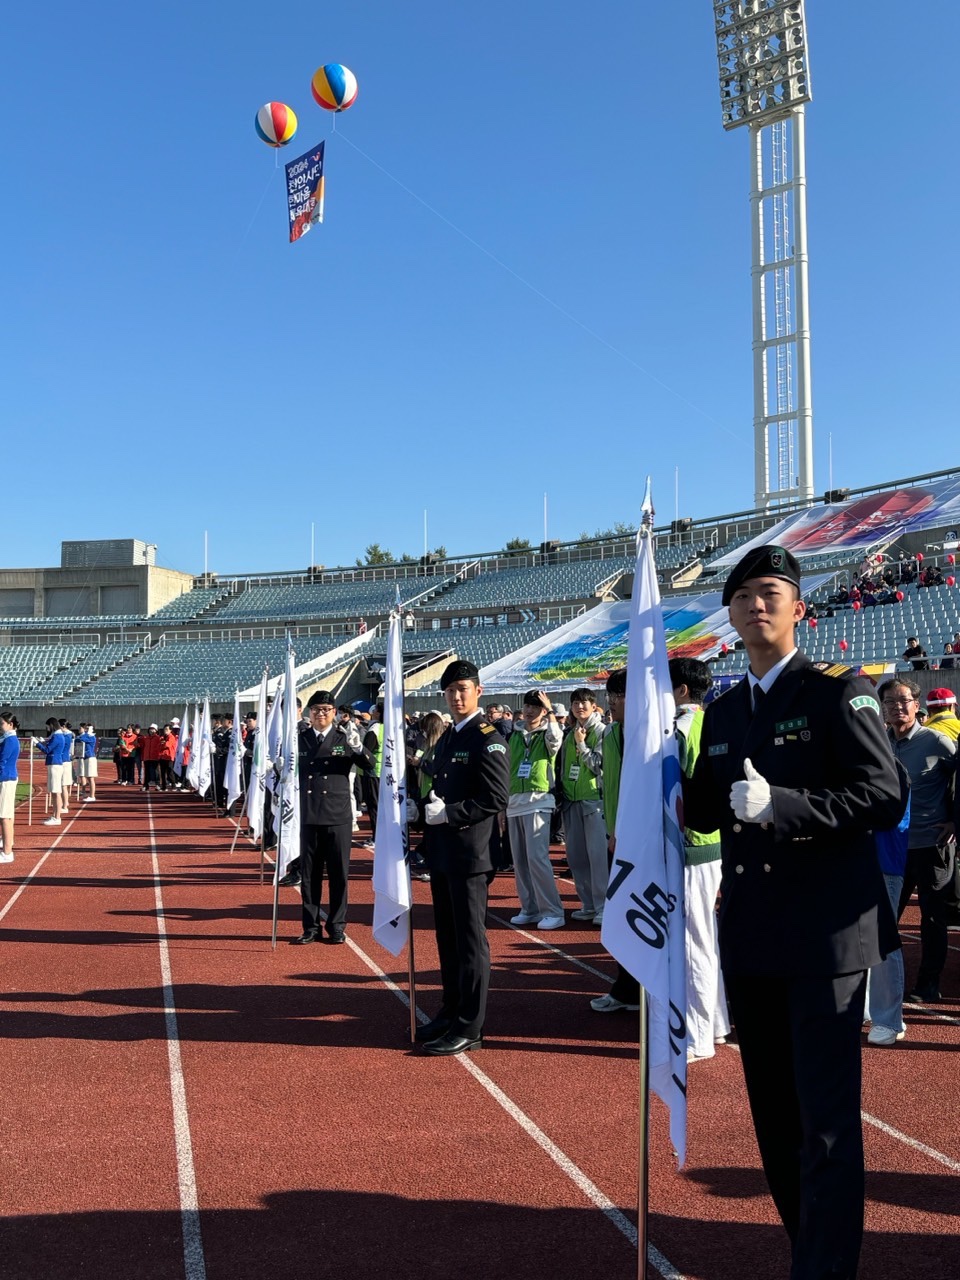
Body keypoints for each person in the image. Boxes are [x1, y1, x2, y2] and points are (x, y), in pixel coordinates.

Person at [683, 544, 904, 1280]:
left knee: (828, 1124)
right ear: (730, 614)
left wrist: (785, 807)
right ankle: (805, 1249)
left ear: (799, 606)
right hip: (755, 935)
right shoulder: (720, 712)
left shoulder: (839, 690)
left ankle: (825, 1269)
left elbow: (884, 795)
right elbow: (705, 807)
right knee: (775, 1120)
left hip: (826, 937)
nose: (755, 604)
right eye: (742, 595)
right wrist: (665, 784)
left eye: (770, 591)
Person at [417, 659, 509, 1056]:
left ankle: (470, 1025)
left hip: (471, 854)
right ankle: (451, 1009)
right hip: (443, 851)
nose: (457, 696)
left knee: (471, 943)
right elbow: (440, 787)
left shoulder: (486, 737)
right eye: (451, 690)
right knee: (447, 938)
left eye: (464, 689)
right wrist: (421, 810)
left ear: (478, 691)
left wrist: (449, 815)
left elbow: (495, 798)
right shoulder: (451, 736)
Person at [881, 676, 956, 1003]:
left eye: (903, 701)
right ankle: (884, 988)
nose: (897, 707)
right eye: (890, 702)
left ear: (917, 705)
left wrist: (955, 820)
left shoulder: (938, 742)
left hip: (931, 845)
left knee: (933, 918)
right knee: (884, 917)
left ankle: (928, 984)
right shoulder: (881, 742)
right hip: (893, 846)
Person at [670, 656, 730, 1062]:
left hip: (693, 844)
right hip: (711, 843)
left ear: (681, 690)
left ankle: (698, 1036)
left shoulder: (683, 727)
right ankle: (718, 1024)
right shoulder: (710, 720)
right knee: (704, 937)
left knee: (694, 943)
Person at [292, 690, 374, 946]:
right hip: (309, 814)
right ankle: (311, 926)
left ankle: (337, 926)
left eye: (326, 709)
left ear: (334, 712)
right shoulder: (300, 739)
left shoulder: (344, 737)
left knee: (339, 874)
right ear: (309, 713)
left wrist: (358, 747)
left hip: (337, 814)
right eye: (316, 709)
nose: (321, 714)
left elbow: (369, 765)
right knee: (309, 875)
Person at [589, 668, 641, 1015]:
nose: (612, 704)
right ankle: (626, 987)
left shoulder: (650, 733)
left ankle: (640, 989)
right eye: (610, 697)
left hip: (641, 840)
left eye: (618, 697)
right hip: (616, 836)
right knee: (621, 916)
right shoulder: (611, 734)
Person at [506, 689, 566, 930]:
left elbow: (555, 741)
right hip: (514, 802)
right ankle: (529, 908)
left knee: (537, 858)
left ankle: (553, 911)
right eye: (528, 706)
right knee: (520, 861)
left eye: (536, 706)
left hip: (539, 799)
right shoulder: (514, 735)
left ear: (543, 711)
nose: (530, 710)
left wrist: (550, 710)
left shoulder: (549, 733)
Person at [557, 688, 607, 924]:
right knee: (576, 857)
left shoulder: (601, 731)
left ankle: (603, 906)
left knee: (597, 857)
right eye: (576, 703)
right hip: (571, 800)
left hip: (593, 800)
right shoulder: (570, 734)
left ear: (593, 705)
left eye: (584, 702)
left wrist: (582, 745)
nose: (579, 707)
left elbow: (598, 765)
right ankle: (587, 904)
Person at [34, 717, 71, 826]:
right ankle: (55, 815)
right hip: (54, 763)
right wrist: (42, 741)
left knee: (56, 792)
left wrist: (37, 743)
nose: (47, 729)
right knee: (54, 792)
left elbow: (47, 750)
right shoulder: (57, 735)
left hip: (55, 764)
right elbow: (50, 747)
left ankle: (57, 817)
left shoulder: (57, 736)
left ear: (51, 725)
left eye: (48, 726)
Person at [0, 710, 21, 863]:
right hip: (7, 777)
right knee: (7, 815)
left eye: (2, 724)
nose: (0, 727)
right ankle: (8, 845)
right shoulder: (8, 739)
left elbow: (2, 761)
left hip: (6, 778)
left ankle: (7, 852)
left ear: (10, 724)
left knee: (5, 816)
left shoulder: (10, 740)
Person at [76, 723, 98, 802]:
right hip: (86, 758)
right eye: (86, 728)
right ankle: (88, 794)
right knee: (88, 777)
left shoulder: (92, 737)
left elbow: (82, 739)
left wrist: (86, 733)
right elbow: (78, 739)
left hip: (90, 758)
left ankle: (92, 796)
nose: (86, 729)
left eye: (88, 728)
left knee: (91, 778)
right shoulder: (87, 736)